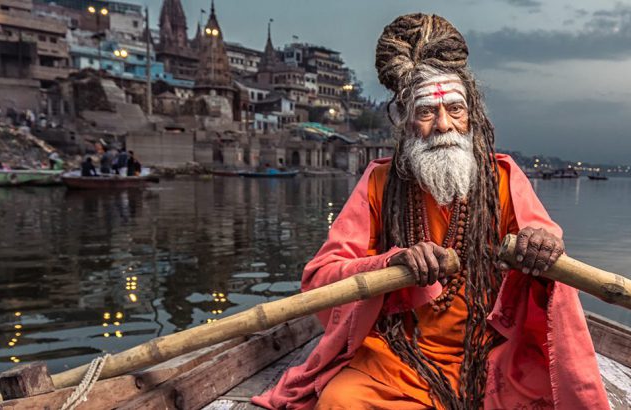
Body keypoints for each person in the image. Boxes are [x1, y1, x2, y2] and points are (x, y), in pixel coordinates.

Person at [254, 14, 609, 410]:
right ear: (406, 123)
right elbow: (320, 280)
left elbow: (544, 236)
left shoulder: (503, 178)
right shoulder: (379, 182)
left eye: (455, 109)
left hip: (492, 357)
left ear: (471, 114)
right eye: (427, 112)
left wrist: (542, 246)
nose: (444, 125)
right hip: (400, 360)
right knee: (340, 402)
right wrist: (394, 264)